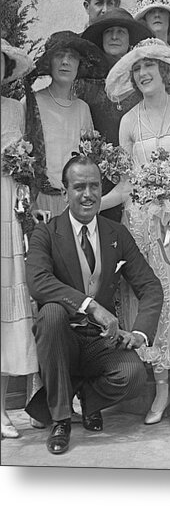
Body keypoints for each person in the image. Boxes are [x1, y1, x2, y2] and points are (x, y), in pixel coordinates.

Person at [25, 155, 163, 454]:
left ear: (102, 189)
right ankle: (61, 419)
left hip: (100, 341)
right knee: (50, 313)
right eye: (79, 187)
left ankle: (86, 399)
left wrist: (138, 333)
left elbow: (150, 286)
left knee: (134, 376)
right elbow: (38, 282)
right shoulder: (46, 233)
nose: (88, 195)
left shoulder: (116, 234)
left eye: (94, 186)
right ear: (65, 192)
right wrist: (92, 306)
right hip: (60, 340)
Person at [103, 38, 170, 426]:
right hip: (141, 223)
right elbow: (126, 185)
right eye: (137, 70)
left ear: (165, 71)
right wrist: (86, 205)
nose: (143, 74)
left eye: (150, 67)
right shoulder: (128, 121)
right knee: (152, 300)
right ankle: (160, 385)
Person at [1, 40, 41, 439]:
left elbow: (26, 159)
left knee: (7, 301)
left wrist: (21, 177)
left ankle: (2, 410)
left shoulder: (15, 109)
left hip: (7, 208)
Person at [78, 8, 153, 221]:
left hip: (139, 181)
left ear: (129, 38)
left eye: (120, 31)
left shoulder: (143, 83)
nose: (114, 36)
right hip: (98, 181)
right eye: (109, 31)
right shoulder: (85, 84)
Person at [24, 31, 107, 218]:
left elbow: (88, 158)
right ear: (49, 62)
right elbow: (22, 160)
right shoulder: (31, 103)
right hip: (41, 200)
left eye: (72, 57)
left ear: (79, 65)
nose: (65, 62)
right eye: (59, 56)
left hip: (75, 202)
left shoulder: (82, 108)